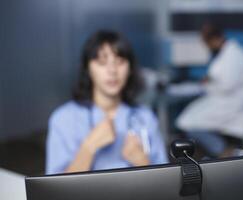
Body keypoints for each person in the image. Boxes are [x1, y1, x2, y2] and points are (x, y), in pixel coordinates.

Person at [46, 31, 168, 174]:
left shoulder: (145, 117)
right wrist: (88, 148)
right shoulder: (63, 119)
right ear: (88, 69)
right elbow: (56, 191)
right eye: (102, 63)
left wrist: (142, 162)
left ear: (130, 69)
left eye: (120, 62)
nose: (112, 71)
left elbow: (165, 185)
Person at [176, 23, 243, 158]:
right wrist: (210, 80)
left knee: (187, 123)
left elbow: (227, 85)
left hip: (230, 102)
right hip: (223, 100)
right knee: (186, 119)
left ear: (214, 39)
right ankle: (217, 150)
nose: (207, 47)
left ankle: (223, 151)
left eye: (206, 43)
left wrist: (209, 81)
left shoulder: (233, 56)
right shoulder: (229, 53)